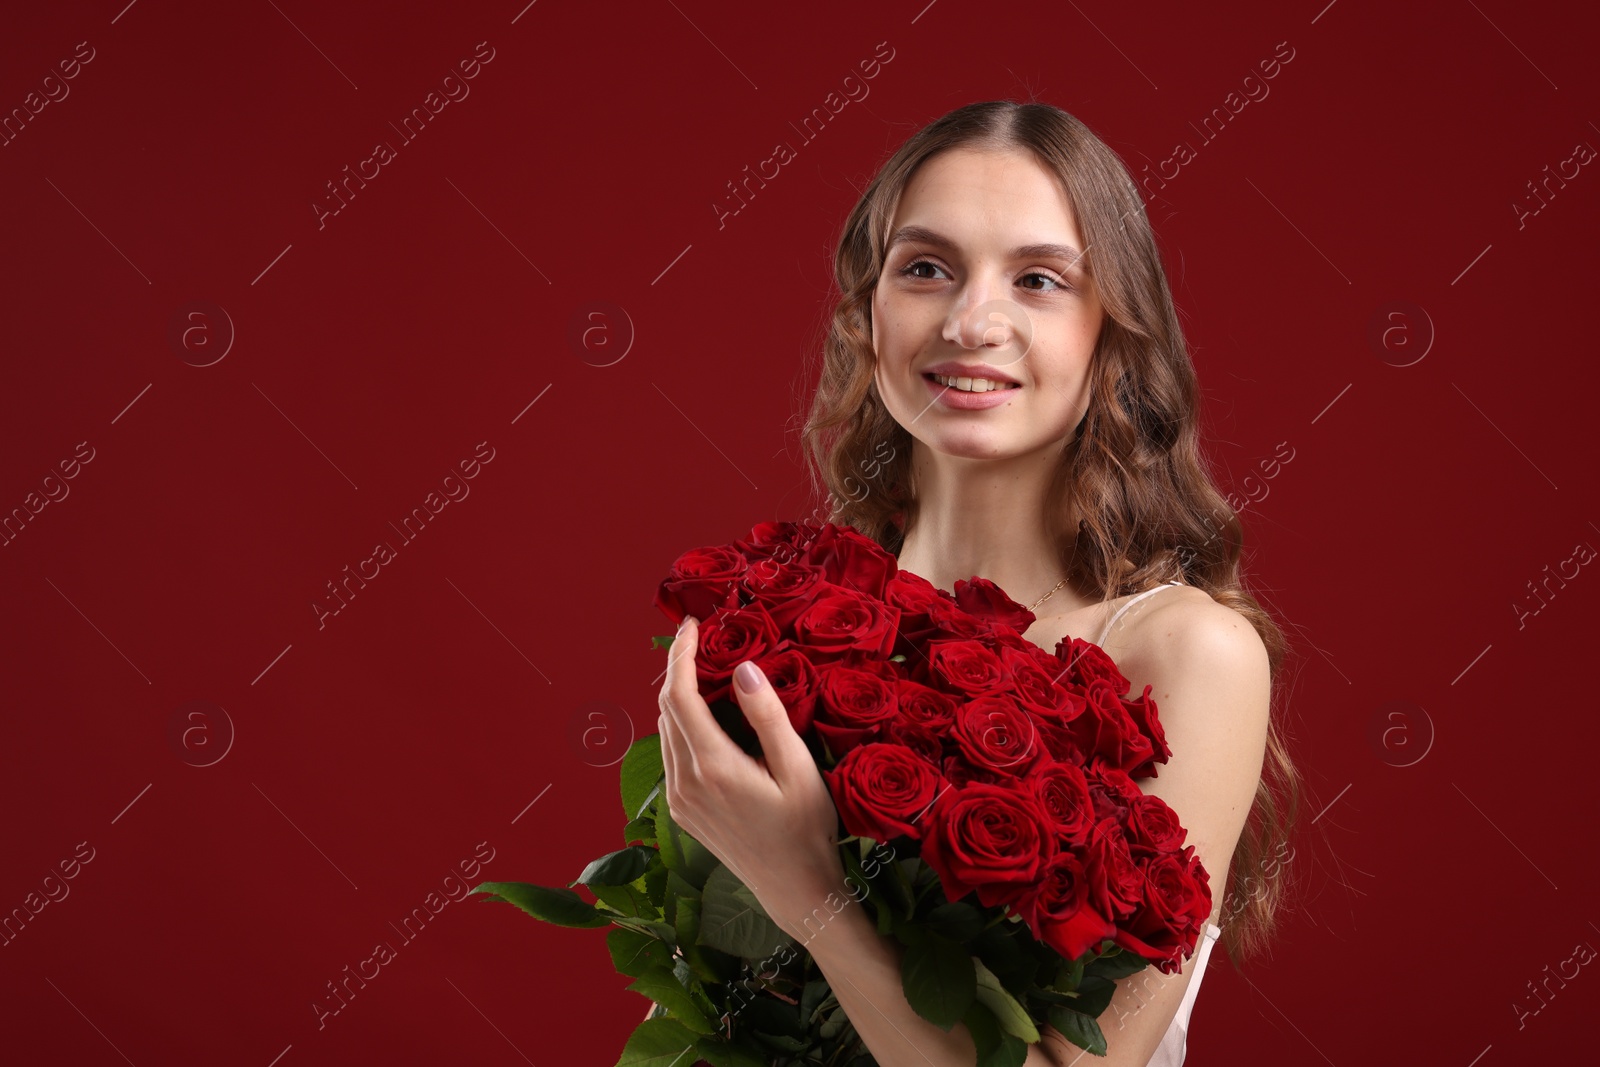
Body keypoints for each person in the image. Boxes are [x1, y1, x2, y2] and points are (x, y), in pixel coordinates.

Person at [657, 99, 1301, 1066]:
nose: (970, 321)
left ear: (1112, 332)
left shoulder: (1189, 652)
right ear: (867, 311)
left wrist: (804, 890)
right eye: (925, 269)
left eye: (1038, 280)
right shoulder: (791, 621)